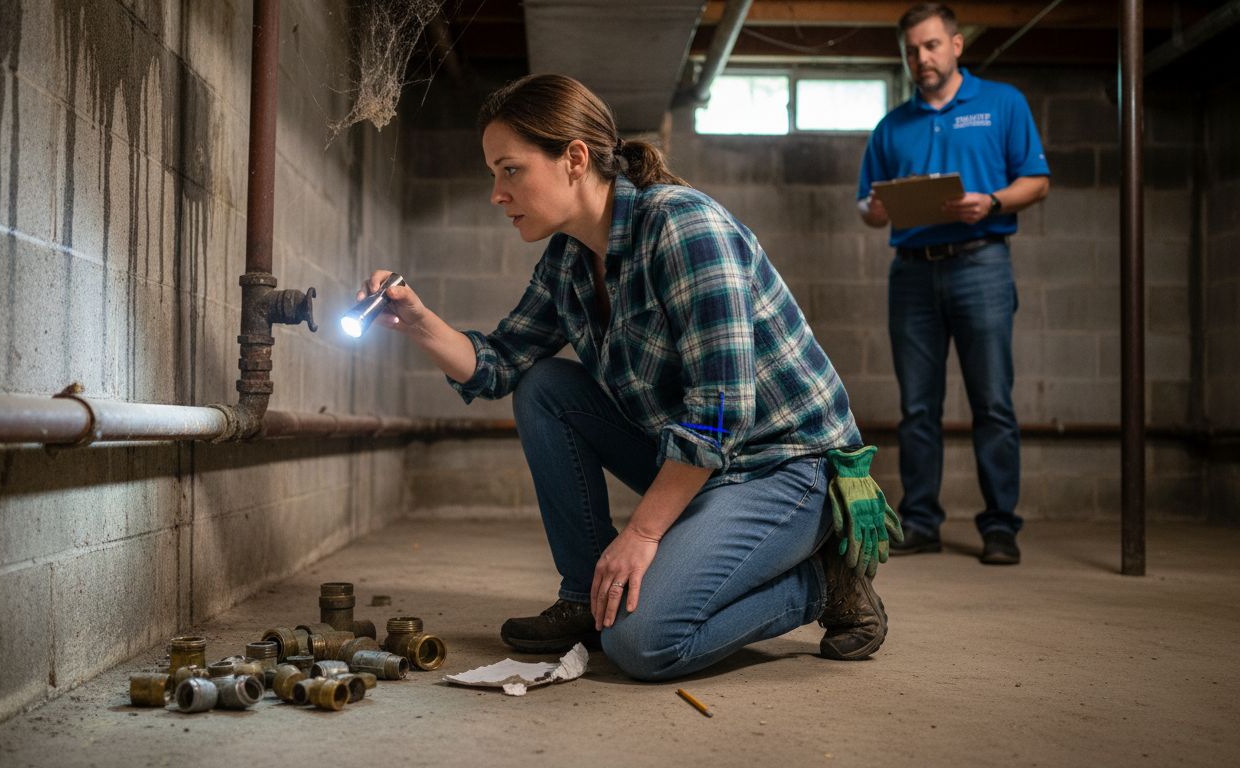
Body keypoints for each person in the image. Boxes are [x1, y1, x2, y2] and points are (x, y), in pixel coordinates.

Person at [361, 74, 888, 681]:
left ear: (575, 159)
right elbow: (501, 363)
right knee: (545, 388)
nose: (496, 194)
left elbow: (720, 410)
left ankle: (822, 583)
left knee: (643, 642)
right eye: (492, 174)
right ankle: (586, 595)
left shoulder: (683, 226)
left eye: (510, 170)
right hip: (706, 457)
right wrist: (419, 322)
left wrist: (642, 532)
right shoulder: (567, 260)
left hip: (785, 465)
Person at [858, 3, 1050, 565]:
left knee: (992, 402)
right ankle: (921, 522)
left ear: (957, 45)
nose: (922, 58)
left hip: (981, 264)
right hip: (912, 273)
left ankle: (999, 528)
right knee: (918, 407)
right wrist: (878, 206)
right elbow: (868, 207)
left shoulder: (1002, 104)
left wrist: (990, 201)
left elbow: (1037, 182)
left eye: (932, 45)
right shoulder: (892, 125)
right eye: (912, 50)